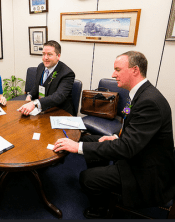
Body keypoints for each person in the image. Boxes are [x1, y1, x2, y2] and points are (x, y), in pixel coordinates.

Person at [53, 51, 175, 219]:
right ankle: (102, 183)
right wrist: (117, 137)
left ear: (134, 70)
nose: (113, 74)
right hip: (137, 150)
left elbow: (127, 148)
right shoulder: (138, 94)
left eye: (117, 69)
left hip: (146, 170)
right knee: (89, 138)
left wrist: (77, 147)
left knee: (86, 177)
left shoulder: (149, 102)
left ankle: (101, 207)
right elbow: (131, 125)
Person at [18, 40, 75, 116]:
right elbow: (37, 86)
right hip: (43, 109)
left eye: (49, 54)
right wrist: (30, 96)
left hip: (59, 111)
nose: (45, 58)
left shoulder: (67, 73)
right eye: (43, 54)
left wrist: (35, 103)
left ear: (58, 56)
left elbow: (58, 96)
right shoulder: (41, 66)